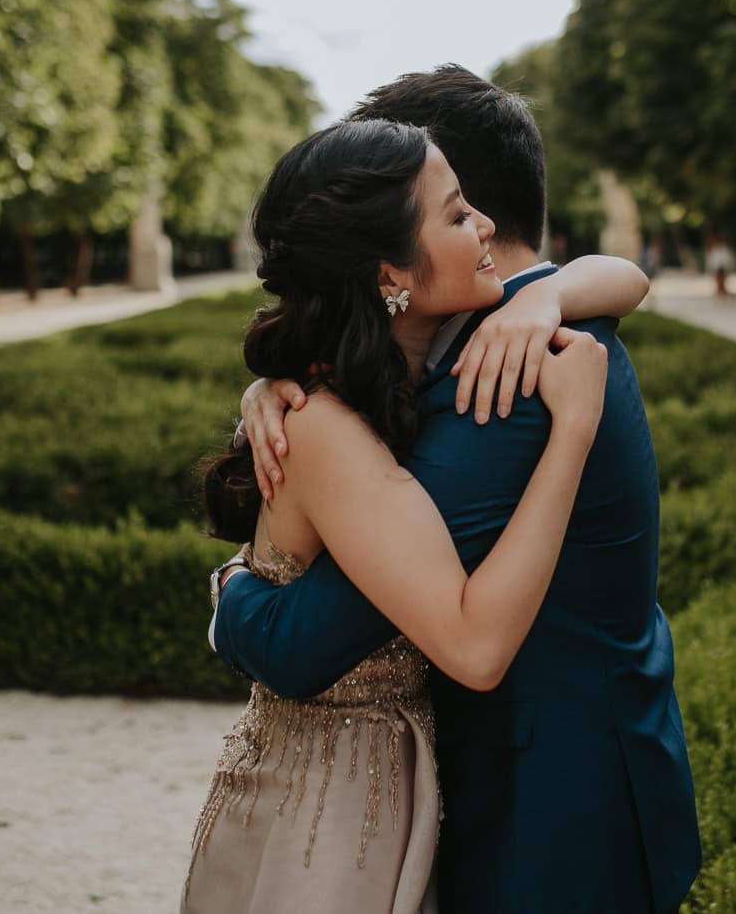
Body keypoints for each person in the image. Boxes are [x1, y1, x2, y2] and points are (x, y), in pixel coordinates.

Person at [211, 66, 702, 914]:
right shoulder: (485, 339)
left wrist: (231, 590)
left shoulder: (512, 377)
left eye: (460, 198)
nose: (469, 220)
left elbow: (305, 640)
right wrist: (281, 394)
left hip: (549, 812)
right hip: (544, 779)